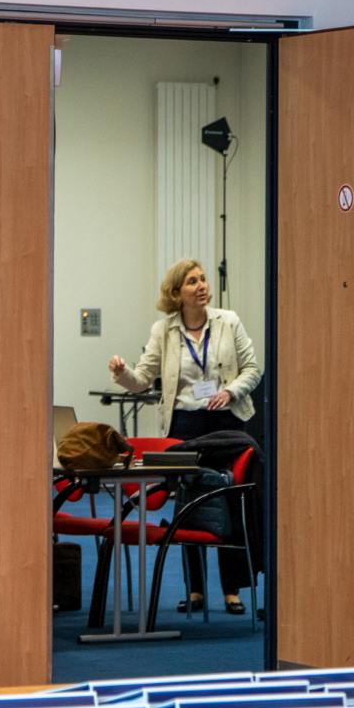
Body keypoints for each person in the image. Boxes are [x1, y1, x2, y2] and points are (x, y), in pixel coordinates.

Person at [108, 259, 262, 614]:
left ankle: (232, 589)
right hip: (184, 427)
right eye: (193, 281)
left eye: (203, 279)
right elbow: (142, 380)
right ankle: (195, 590)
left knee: (230, 499)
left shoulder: (229, 322)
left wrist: (233, 391)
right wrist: (122, 373)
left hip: (227, 423)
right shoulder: (163, 331)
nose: (202, 285)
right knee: (189, 504)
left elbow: (252, 368)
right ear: (177, 293)